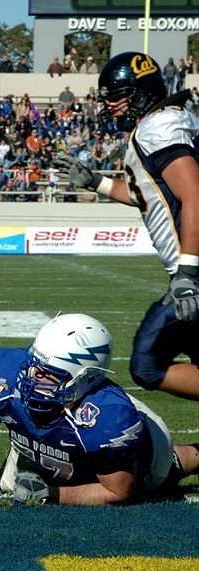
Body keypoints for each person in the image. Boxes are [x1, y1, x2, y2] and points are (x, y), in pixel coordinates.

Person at [52, 52, 199, 405]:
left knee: (147, 363)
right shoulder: (164, 123)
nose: (110, 106)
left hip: (193, 271)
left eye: (117, 97)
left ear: (141, 92)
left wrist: (189, 273)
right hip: (188, 270)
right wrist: (96, 183)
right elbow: (145, 194)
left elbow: (194, 194)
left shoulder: (157, 128)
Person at [0, 314, 199, 505]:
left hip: (142, 455)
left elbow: (118, 491)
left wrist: (54, 494)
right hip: (51, 449)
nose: (32, 378)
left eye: (49, 374)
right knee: (10, 484)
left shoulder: (107, 418)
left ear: (86, 378)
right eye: (34, 366)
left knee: (175, 465)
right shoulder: (8, 374)